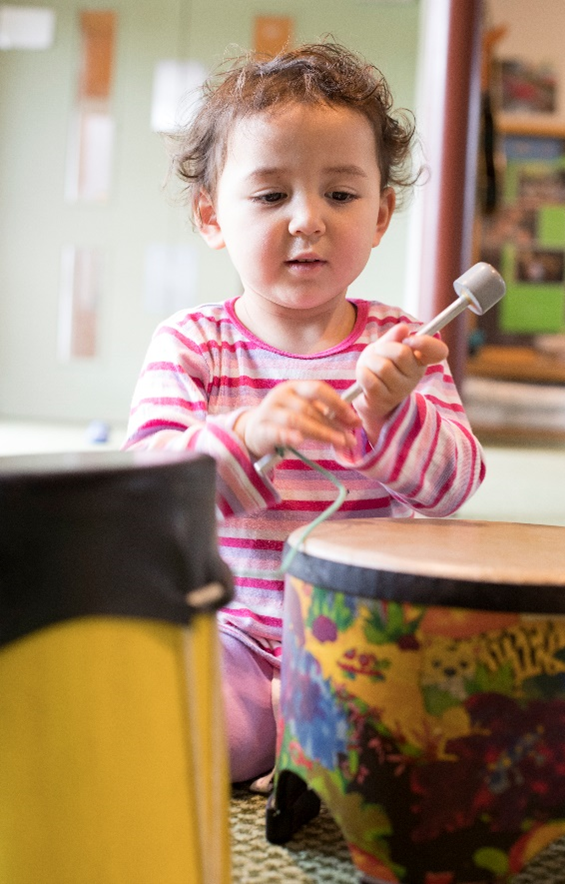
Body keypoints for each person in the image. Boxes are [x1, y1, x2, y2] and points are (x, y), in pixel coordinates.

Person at [123, 41, 486, 784]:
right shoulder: (192, 343)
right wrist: (249, 434)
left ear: (381, 215)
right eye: (269, 196)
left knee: (460, 736)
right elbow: (149, 496)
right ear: (210, 216)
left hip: (372, 631)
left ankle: (312, 745)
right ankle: (282, 739)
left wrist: (394, 414)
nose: (307, 221)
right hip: (232, 636)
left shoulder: (403, 344)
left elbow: (453, 487)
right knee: (181, 729)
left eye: (341, 195)